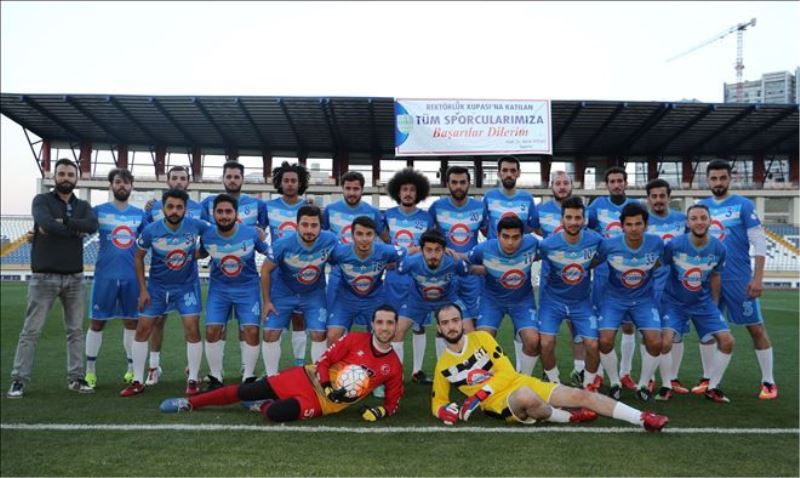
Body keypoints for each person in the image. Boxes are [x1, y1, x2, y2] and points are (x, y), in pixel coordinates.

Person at [430, 304, 668, 431]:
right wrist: (442, 412)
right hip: (499, 404)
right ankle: (567, 417)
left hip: (521, 383)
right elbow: (438, 401)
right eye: (445, 323)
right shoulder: (443, 366)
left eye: (455, 320)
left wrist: (478, 394)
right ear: (439, 329)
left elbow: (507, 372)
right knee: (526, 397)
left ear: (462, 322)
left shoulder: (482, 338)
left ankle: (642, 418)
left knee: (580, 394)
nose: (451, 326)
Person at [160, 305, 404, 424]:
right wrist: (328, 385)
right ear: (372, 324)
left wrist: (380, 411)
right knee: (244, 391)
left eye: (389, 323)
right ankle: (190, 403)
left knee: (275, 414)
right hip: (305, 379)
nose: (384, 328)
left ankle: (263, 405)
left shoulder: (393, 366)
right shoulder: (354, 339)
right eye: (380, 322)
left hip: (320, 404)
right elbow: (324, 362)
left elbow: (392, 403)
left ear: (395, 326)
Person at [7, 158, 99, 398]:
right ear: (54, 176)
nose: (66, 178)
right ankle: (18, 380)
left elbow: (91, 226)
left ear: (76, 178)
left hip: (75, 277)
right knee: (31, 331)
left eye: (70, 174)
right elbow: (45, 222)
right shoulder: (42, 200)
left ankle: (76, 378)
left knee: (75, 332)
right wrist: (73, 229)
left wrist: (64, 222)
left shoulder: (83, 205)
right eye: (62, 174)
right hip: (44, 277)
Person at [699, 159, 776, 399]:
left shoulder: (743, 205)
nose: (718, 182)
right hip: (709, 280)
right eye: (714, 178)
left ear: (730, 179)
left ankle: (768, 381)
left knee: (755, 328)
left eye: (723, 178)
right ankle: (708, 379)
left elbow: (759, 242)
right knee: (708, 330)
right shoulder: (701, 207)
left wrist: (758, 278)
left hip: (738, 279)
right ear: (707, 180)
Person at [121, 189, 208, 397]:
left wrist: (198, 254)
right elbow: (138, 257)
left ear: (185, 209)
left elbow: (215, 238)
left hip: (186, 287)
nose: (174, 211)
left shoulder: (197, 226)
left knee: (192, 329)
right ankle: (137, 380)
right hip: (157, 288)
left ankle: (193, 379)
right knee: (143, 329)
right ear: (163, 208)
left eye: (179, 207)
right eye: (170, 206)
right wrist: (143, 289)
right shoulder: (151, 230)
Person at [657, 204, 734, 403]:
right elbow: (660, 267)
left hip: (703, 303)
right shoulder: (674, 245)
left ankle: (713, 387)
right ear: (687, 222)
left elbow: (715, 275)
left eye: (703, 218)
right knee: (665, 341)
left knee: (727, 341)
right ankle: (666, 386)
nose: (699, 222)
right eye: (694, 218)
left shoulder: (719, 248)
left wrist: (714, 304)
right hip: (674, 302)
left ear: (710, 221)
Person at [201, 161, 269, 379]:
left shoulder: (255, 212)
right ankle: (215, 375)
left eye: (236, 176)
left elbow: (269, 246)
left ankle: (247, 373)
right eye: (228, 176)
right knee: (214, 329)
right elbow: (198, 247)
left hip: (247, 285)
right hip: (219, 285)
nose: (232, 180)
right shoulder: (207, 219)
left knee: (249, 329)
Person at [595, 203, 664, 402]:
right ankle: (614, 382)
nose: (634, 228)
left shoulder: (656, 243)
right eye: (629, 224)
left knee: (655, 341)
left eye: (638, 224)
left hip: (644, 300)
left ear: (646, 225)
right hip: (614, 299)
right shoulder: (609, 245)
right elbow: (594, 262)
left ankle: (643, 385)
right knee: (605, 340)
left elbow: (659, 262)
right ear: (622, 226)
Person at [142, 165, 203, 386]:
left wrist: (191, 255)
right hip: (160, 279)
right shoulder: (153, 208)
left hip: (188, 279)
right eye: (174, 178)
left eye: (182, 178)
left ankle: (191, 369)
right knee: (157, 321)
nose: (178, 181)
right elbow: (145, 236)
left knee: (191, 324)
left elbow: (210, 236)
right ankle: (154, 367)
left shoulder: (199, 209)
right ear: (168, 181)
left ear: (188, 182)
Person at [84, 168, 146, 389]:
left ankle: (131, 369)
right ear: (111, 185)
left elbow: (150, 239)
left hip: (132, 277)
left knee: (131, 322)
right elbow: (79, 232)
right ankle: (90, 372)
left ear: (131, 187)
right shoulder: (98, 211)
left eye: (126, 182)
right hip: (105, 276)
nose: (122, 186)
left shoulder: (140, 214)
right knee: (96, 322)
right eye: (118, 182)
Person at [260, 205, 338, 376]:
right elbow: (265, 270)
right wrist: (267, 302)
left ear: (321, 226)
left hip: (313, 294)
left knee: (319, 334)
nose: (309, 230)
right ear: (297, 225)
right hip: (283, 293)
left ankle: (318, 378)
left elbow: (340, 260)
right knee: (270, 333)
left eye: (314, 225)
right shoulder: (282, 244)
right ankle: (271, 377)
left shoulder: (330, 240)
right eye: (305, 225)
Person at [537, 197, 604, 389]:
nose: (573, 222)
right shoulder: (547, 245)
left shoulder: (595, 241)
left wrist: (586, 266)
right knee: (546, 343)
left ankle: (589, 386)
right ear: (562, 220)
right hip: (553, 301)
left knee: (593, 345)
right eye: (569, 217)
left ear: (584, 220)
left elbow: (603, 256)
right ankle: (554, 384)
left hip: (581, 302)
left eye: (577, 218)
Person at [535, 171, 590, 387]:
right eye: (557, 183)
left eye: (565, 182)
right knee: (548, 329)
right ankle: (549, 371)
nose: (562, 186)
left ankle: (579, 369)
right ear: (551, 186)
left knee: (577, 327)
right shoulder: (541, 210)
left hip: (577, 278)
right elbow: (534, 231)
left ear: (571, 186)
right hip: (551, 278)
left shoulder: (582, 210)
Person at [587, 166, 639, 391]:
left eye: (620, 181)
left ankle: (625, 373)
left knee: (628, 326)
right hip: (603, 273)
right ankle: (599, 374)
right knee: (603, 327)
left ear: (626, 183)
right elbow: (584, 228)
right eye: (612, 181)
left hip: (630, 274)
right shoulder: (597, 205)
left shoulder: (635, 206)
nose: (616, 185)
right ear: (607, 184)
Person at [468, 215, 540, 376]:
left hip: (522, 301)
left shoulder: (532, 243)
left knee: (533, 341)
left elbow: (546, 253)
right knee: (483, 341)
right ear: (498, 235)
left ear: (523, 236)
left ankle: (523, 378)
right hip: (492, 301)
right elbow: (466, 262)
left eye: (515, 237)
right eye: (505, 236)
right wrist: (479, 269)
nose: (510, 242)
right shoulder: (484, 249)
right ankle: (494, 378)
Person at [394, 229, 472, 375]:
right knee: (397, 330)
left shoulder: (453, 261)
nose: (433, 255)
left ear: (444, 250)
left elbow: (466, 271)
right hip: (417, 301)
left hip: (447, 300)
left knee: (470, 331)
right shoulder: (411, 262)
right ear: (422, 250)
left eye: (438, 250)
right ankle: (396, 376)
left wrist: (458, 258)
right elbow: (398, 268)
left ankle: (459, 373)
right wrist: (412, 250)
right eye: (428, 250)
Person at [383, 168, 434, 384]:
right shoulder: (387, 216)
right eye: (404, 189)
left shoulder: (426, 217)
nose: (408, 193)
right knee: (394, 326)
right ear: (398, 192)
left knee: (419, 326)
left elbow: (429, 246)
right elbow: (383, 244)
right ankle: (396, 373)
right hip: (394, 279)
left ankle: (417, 371)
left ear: (418, 192)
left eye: (412, 190)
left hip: (418, 279)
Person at [326, 216, 405, 344]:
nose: (364, 239)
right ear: (352, 236)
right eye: (359, 234)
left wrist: (395, 264)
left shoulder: (384, 251)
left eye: (369, 234)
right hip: (345, 299)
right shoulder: (339, 252)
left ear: (375, 236)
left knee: (381, 335)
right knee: (333, 335)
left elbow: (404, 252)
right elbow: (325, 258)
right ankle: (338, 358)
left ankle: (375, 357)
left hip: (374, 299)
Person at [644, 178, 689, 395]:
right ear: (648, 199)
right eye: (654, 196)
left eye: (662, 196)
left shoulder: (682, 220)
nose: (658, 200)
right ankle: (650, 378)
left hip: (678, 286)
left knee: (677, 333)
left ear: (669, 197)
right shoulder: (642, 222)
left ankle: (672, 378)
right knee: (649, 332)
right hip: (650, 285)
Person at [428, 166, 484, 338]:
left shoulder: (480, 207)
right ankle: (444, 356)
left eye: (462, 182)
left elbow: (491, 236)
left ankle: (472, 355)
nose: (458, 186)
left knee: (473, 323)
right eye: (454, 182)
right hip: (445, 272)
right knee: (444, 320)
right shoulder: (437, 207)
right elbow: (428, 239)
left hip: (471, 273)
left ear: (469, 184)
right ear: (448, 184)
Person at [266, 161, 312, 366]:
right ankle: (271, 370)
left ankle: (299, 364)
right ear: (280, 182)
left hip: (303, 270)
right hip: (277, 272)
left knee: (299, 319)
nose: (290, 184)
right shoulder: (268, 207)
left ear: (300, 183)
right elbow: (257, 227)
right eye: (286, 180)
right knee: (275, 321)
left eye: (294, 180)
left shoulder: (308, 207)